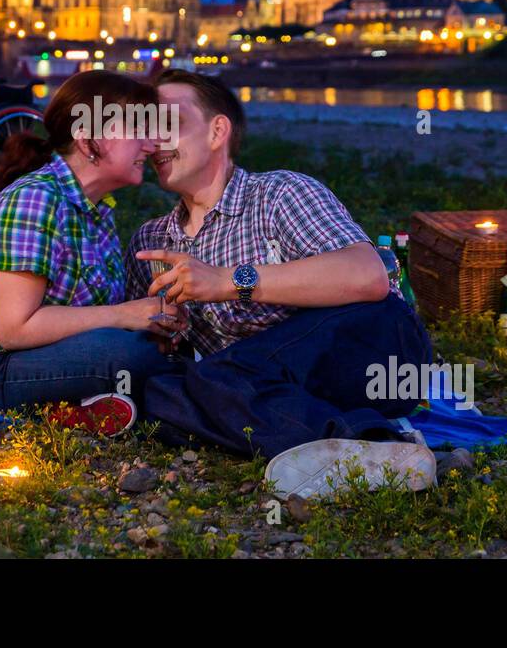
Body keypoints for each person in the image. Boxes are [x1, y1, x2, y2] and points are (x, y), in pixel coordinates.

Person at [126, 69, 434, 457]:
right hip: (266, 388)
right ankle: (368, 447)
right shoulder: (152, 242)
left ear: (217, 132)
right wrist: (166, 331)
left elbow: (368, 274)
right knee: (160, 391)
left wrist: (227, 281)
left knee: (213, 382)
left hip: (368, 350)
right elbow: (156, 349)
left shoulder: (279, 194)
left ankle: (331, 442)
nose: (155, 141)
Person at [0, 70, 182, 435]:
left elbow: (88, 315)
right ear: (88, 140)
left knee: (146, 347)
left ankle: (73, 410)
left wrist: (153, 318)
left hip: (41, 359)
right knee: (128, 354)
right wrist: (122, 316)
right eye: (137, 131)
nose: (150, 145)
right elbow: (13, 330)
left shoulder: (96, 209)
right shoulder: (36, 200)